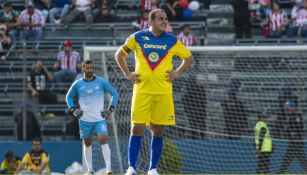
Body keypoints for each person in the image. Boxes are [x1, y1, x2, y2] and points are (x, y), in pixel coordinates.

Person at [114, 8, 193, 175]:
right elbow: (119, 55)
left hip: (163, 93)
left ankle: (153, 168)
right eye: (161, 19)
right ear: (151, 22)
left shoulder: (172, 40)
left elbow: (189, 58)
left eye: (166, 19)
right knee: (136, 128)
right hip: (142, 91)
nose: (165, 21)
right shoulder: (137, 37)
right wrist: (128, 73)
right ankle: (131, 168)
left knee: (158, 131)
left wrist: (177, 72)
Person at [66, 59, 119, 174]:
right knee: (87, 143)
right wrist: (73, 109)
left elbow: (115, 93)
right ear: (82, 69)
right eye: (87, 68)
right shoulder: (77, 84)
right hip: (84, 119)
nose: (89, 70)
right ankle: (90, 170)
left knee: (103, 139)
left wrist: (110, 109)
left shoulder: (101, 82)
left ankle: (109, 169)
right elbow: (68, 97)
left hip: (99, 118)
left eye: (91, 68)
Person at [277, 100, 307, 173]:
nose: (286, 110)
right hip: (293, 143)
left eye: (287, 108)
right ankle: (279, 172)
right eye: (286, 108)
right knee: (287, 161)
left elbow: (300, 126)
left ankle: (279, 173)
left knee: (300, 161)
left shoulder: (296, 115)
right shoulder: (290, 116)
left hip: (297, 143)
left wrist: (294, 132)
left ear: (292, 108)